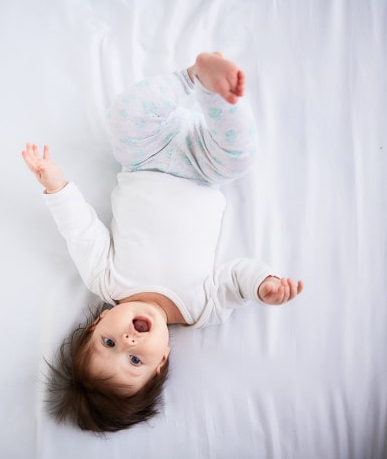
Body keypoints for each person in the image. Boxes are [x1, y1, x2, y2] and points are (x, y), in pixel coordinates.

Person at [21, 52, 303, 432]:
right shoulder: (200, 310)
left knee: (123, 117)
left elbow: (80, 230)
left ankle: (191, 77)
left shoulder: (107, 280)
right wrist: (262, 285)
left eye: (108, 343)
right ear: (162, 361)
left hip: (144, 157)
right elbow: (236, 280)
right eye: (135, 361)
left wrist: (55, 185)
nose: (127, 341)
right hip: (204, 170)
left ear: (98, 322)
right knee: (240, 157)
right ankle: (217, 94)